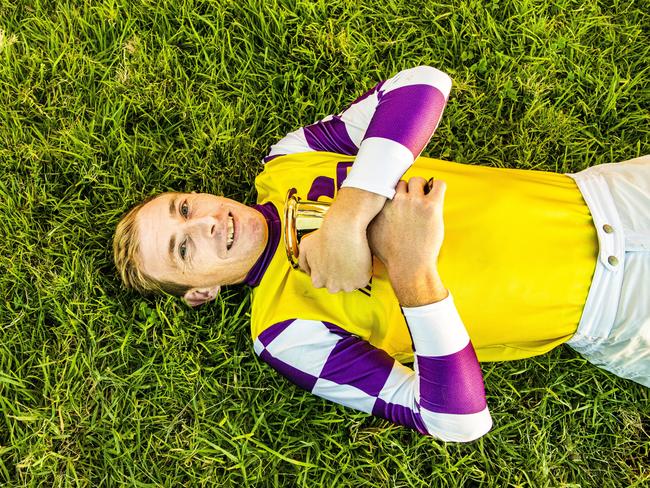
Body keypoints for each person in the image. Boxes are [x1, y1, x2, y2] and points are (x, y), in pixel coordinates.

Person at [113, 66, 649, 441]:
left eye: (184, 207)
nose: (207, 222)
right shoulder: (283, 331)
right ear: (201, 292)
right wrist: (412, 269)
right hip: (623, 315)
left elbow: (424, 83)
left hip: (613, 198)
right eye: (184, 248)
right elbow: (455, 420)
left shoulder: (287, 162)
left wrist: (349, 218)